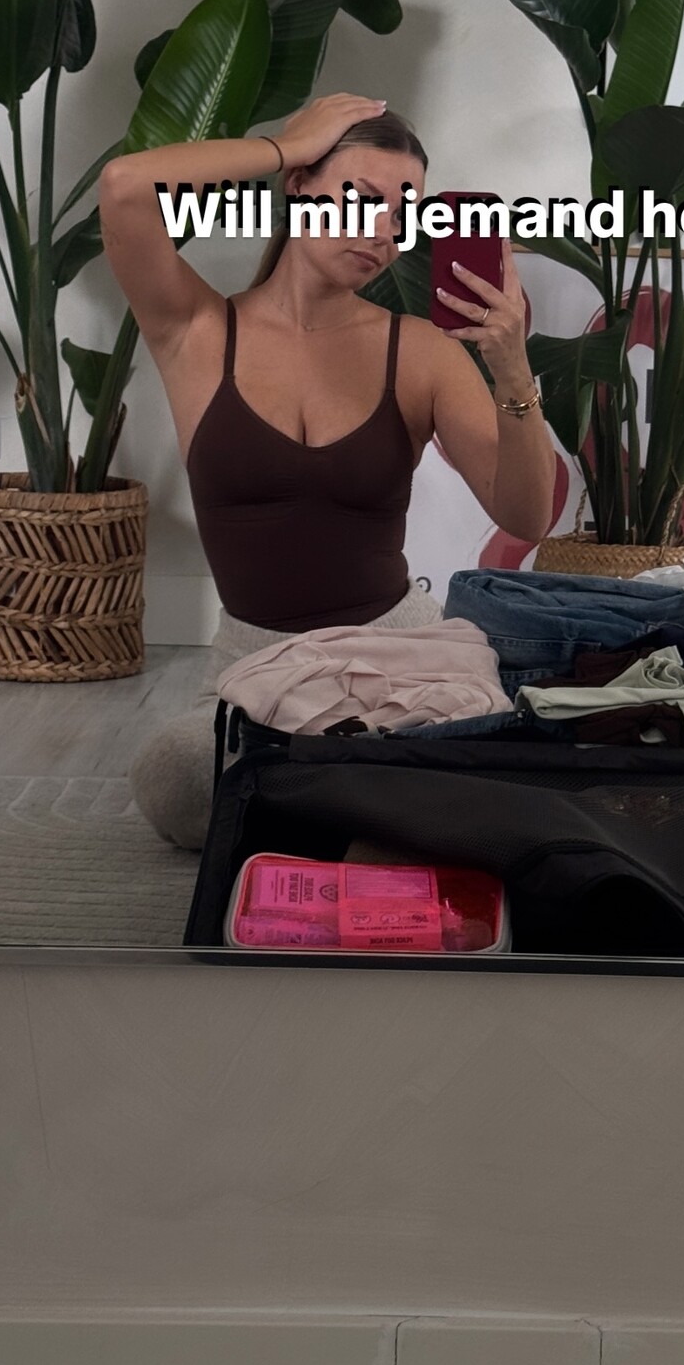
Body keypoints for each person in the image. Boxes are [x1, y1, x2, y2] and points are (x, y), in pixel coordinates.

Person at [99, 92, 557, 847]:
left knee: (467, 772)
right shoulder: (198, 329)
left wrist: (512, 370)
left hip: (401, 654)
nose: (383, 232)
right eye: (362, 198)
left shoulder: (420, 350)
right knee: (173, 778)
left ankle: (325, 798)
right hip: (256, 662)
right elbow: (123, 187)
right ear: (299, 187)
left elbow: (526, 515)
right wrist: (286, 143)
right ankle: (362, 802)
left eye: (403, 214)